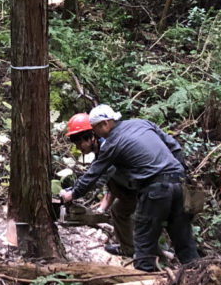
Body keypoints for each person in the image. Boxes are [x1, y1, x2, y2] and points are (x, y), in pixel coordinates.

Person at [60, 104, 199, 272]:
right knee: (183, 240)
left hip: (154, 189)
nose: (95, 133)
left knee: (144, 244)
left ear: (105, 124)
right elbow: (175, 147)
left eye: (95, 129)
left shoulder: (112, 143)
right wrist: (180, 174)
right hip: (178, 184)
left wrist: (73, 193)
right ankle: (197, 277)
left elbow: (94, 176)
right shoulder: (142, 123)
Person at [64, 113, 137, 258]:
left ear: (91, 136)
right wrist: (102, 208)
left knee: (138, 220)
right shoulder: (101, 150)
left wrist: (73, 193)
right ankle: (128, 249)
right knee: (118, 209)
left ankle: (149, 259)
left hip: (142, 188)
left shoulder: (108, 148)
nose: (78, 148)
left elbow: (97, 179)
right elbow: (111, 182)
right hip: (130, 189)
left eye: (79, 143)